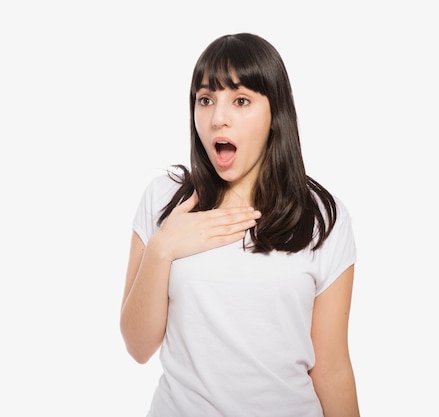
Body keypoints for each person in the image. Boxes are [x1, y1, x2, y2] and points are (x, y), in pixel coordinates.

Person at [119, 32, 360, 417]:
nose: (218, 118)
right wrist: (164, 247)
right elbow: (137, 345)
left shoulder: (322, 218)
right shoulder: (163, 199)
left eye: (241, 100)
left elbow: (331, 368)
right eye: (205, 99)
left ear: (275, 114)